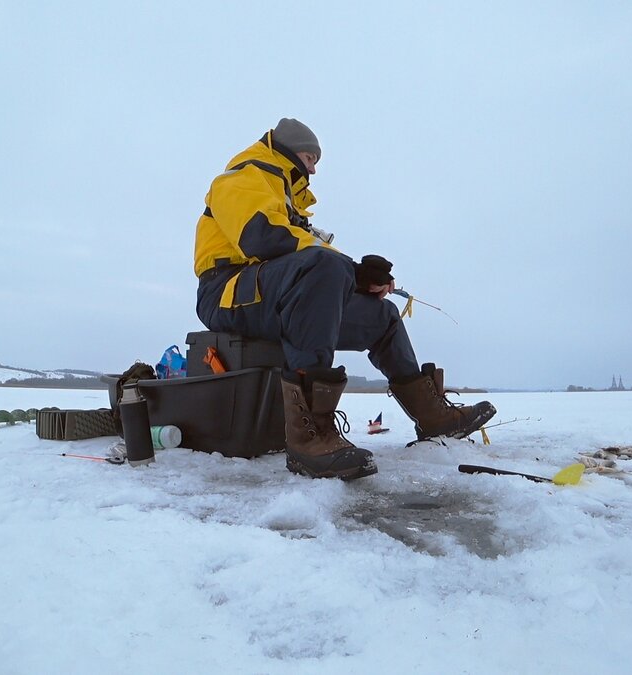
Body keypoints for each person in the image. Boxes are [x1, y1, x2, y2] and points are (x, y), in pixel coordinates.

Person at [193, 118, 495, 480]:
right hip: (227, 292)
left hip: (274, 293)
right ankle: (311, 439)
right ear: (288, 151)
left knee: (380, 315)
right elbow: (262, 238)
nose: (314, 168)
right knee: (326, 268)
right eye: (309, 157)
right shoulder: (240, 179)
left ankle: (433, 418)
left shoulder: (288, 203)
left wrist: (361, 282)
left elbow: (312, 262)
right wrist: (347, 270)